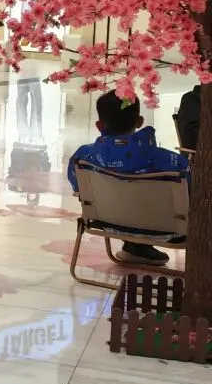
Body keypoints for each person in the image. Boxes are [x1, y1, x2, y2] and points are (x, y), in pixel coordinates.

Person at [67, 90, 189, 266]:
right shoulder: (174, 162)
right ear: (139, 121)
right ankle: (138, 247)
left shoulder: (83, 157)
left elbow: (78, 188)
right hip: (167, 231)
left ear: (99, 125)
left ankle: (136, 248)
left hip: (105, 222)